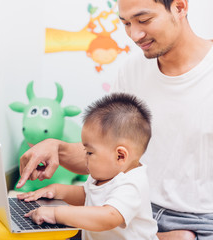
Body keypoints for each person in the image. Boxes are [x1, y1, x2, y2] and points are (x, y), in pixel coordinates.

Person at [16, 0, 213, 239]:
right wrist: (57, 147)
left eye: (144, 20)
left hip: (197, 221)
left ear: (180, 7)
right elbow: (105, 154)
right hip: (123, 206)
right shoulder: (132, 71)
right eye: (126, 23)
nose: (135, 35)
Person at [18, 93, 158, 240]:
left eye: (89, 152)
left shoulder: (131, 184)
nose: (85, 158)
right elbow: (87, 195)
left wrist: (56, 214)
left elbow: (108, 217)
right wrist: (56, 190)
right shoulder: (104, 174)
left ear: (120, 156)